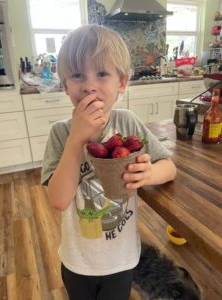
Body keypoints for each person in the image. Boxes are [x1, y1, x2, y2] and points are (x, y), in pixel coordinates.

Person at [41, 24, 176, 300]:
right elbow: (57, 200)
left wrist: (149, 174)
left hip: (122, 260)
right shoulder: (61, 133)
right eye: (78, 75)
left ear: (122, 83)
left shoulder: (127, 122)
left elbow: (169, 167)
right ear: (66, 85)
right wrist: (76, 140)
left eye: (102, 74)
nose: (89, 85)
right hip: (78, 261)